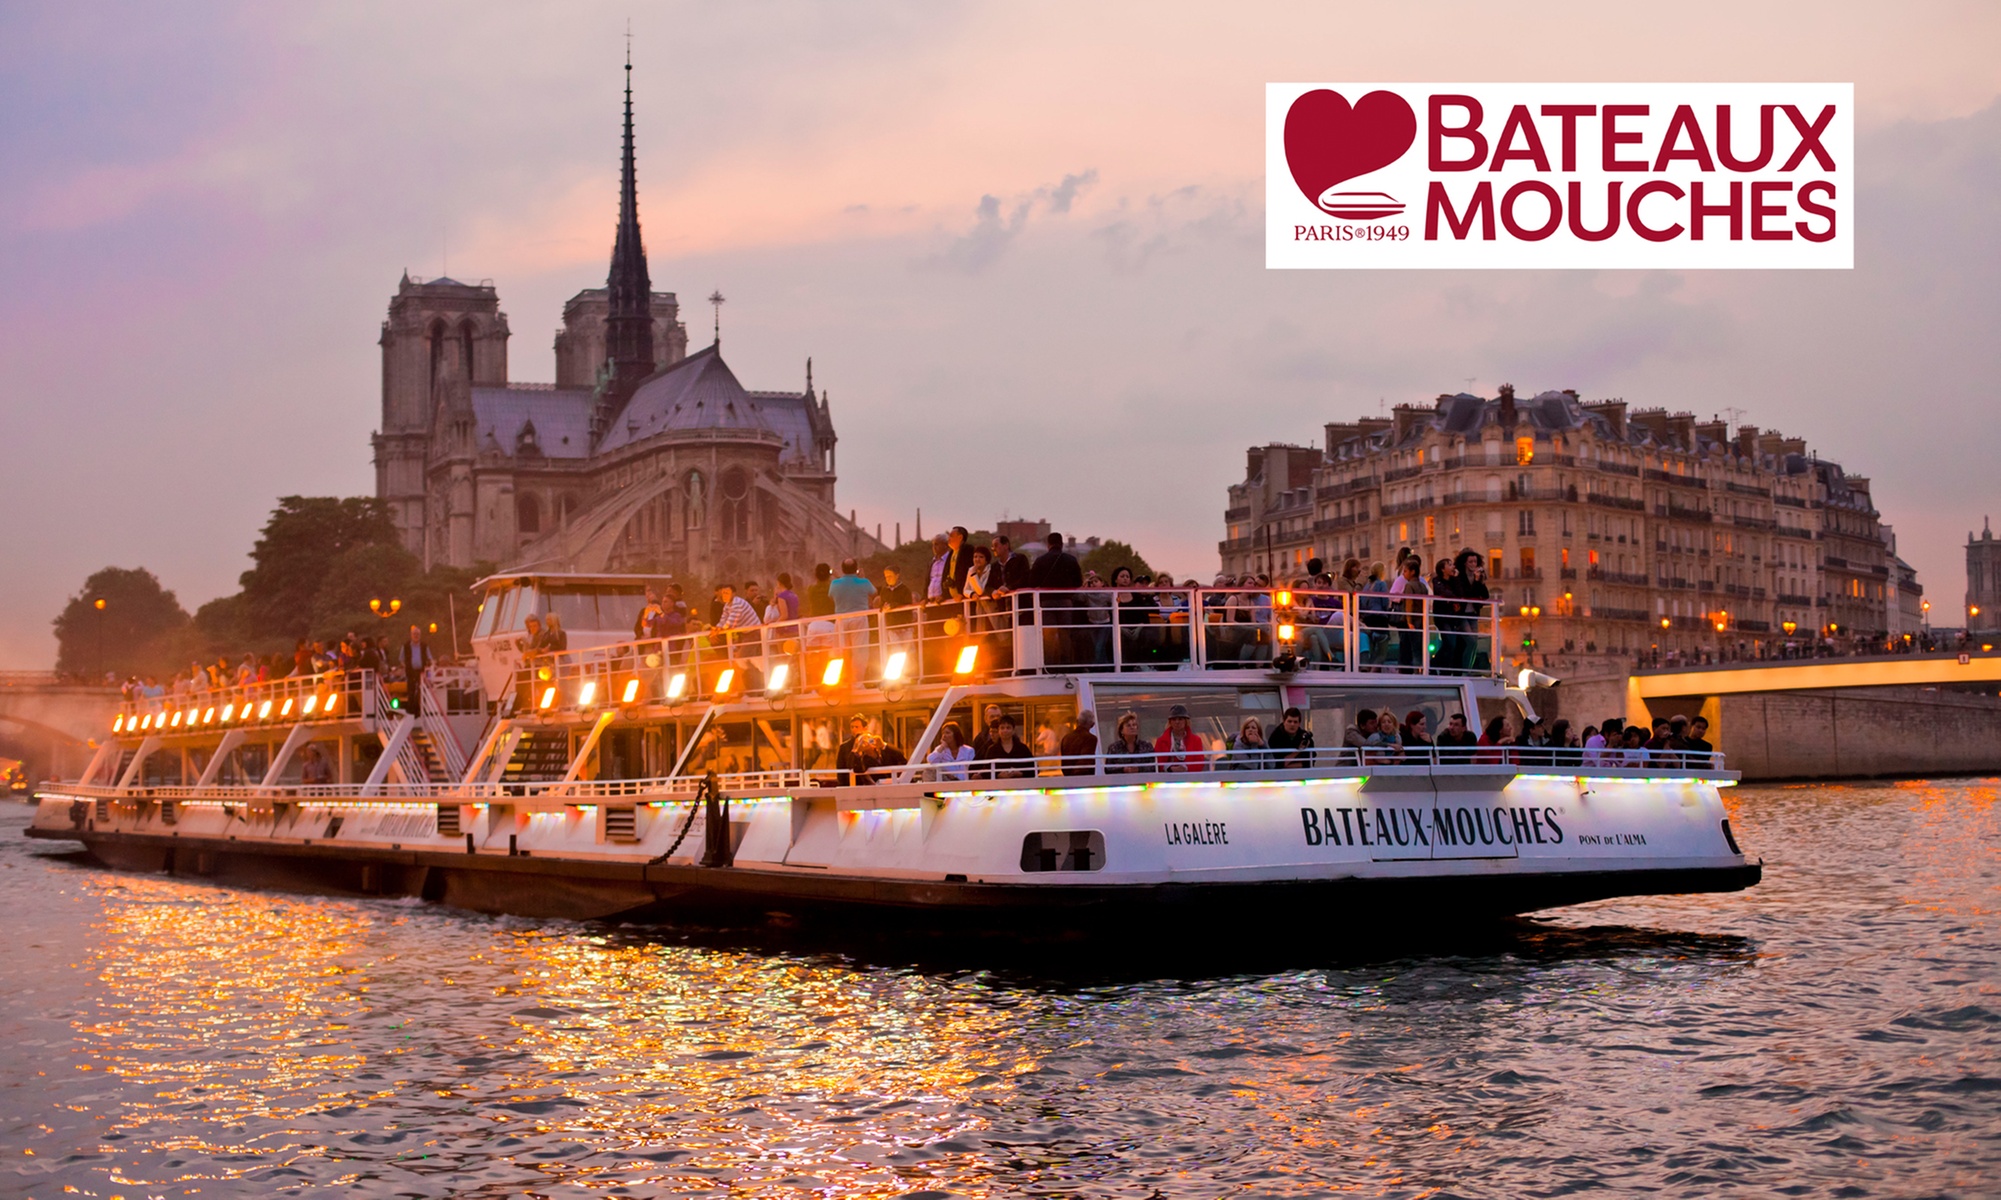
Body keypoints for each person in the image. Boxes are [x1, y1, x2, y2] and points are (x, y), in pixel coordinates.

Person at [1030, 532, 1083, 665]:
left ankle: (1049, 662)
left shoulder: (1041, 560)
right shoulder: (1071, 560)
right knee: (1065, 633)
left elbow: (1032, 581)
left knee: (1048, 633)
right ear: (1062, 543)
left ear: (1048, 544)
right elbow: (1078, 582)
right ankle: (1066, 662)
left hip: (1046, 601)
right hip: (1065, 600)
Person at [1389, 556, 1431, 671]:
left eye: (1405, 571)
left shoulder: (1409, 586)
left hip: (1412, 622)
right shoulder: (1423, 586)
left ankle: (1411, 670)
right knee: (1419, 648)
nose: (1404, 574)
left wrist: (1409, 621)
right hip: (1421, 621)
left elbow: (1409, 604)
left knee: (1410, 648)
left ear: (1412, 572)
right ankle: (1422, 670)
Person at [977, 713, 1036, 779]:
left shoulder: (1023, 749)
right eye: (1002, 728)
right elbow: (986, 772)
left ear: (1013, 730)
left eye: (1008, 728)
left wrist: (1020, 773)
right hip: (998, 787)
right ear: (998, 730)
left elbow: (1034, 770)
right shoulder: (992, 750)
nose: (1005, 730)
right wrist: (998, 775)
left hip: (1020, 786)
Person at [1152, 704, 1206, 772]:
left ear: (1186, 721)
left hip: (1190, 779)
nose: (1177, 722)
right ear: (1170, 722)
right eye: (1174, 719)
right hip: (1167, 779)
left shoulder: (1196, 740)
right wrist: (1170, 769)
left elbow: (1199, 763)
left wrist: (1185, 768)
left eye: (1180, 719)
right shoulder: (1161, 741)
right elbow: (1157, 763)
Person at [398, 624, 433, 715]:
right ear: (411, 635)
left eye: (418, 634)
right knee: (411, 690)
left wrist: (430, 666)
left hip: (421, 672)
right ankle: (411, 710)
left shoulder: (424, 646)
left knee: (421, 690)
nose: (416, 636)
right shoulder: (406, 646)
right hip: (410, 671)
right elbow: (401, 659)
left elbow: (430, 658)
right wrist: (406, 666)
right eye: (414, 634)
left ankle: (420, 709)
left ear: (420, 635)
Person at [1059, 710, 1099, 775]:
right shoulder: (1091, 739)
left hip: (1068, 777)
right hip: (1084, 778)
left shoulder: (1066, 738)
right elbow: (1085, 761)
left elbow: (1064, 762)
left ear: (1077, 722)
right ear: (1092, 724)